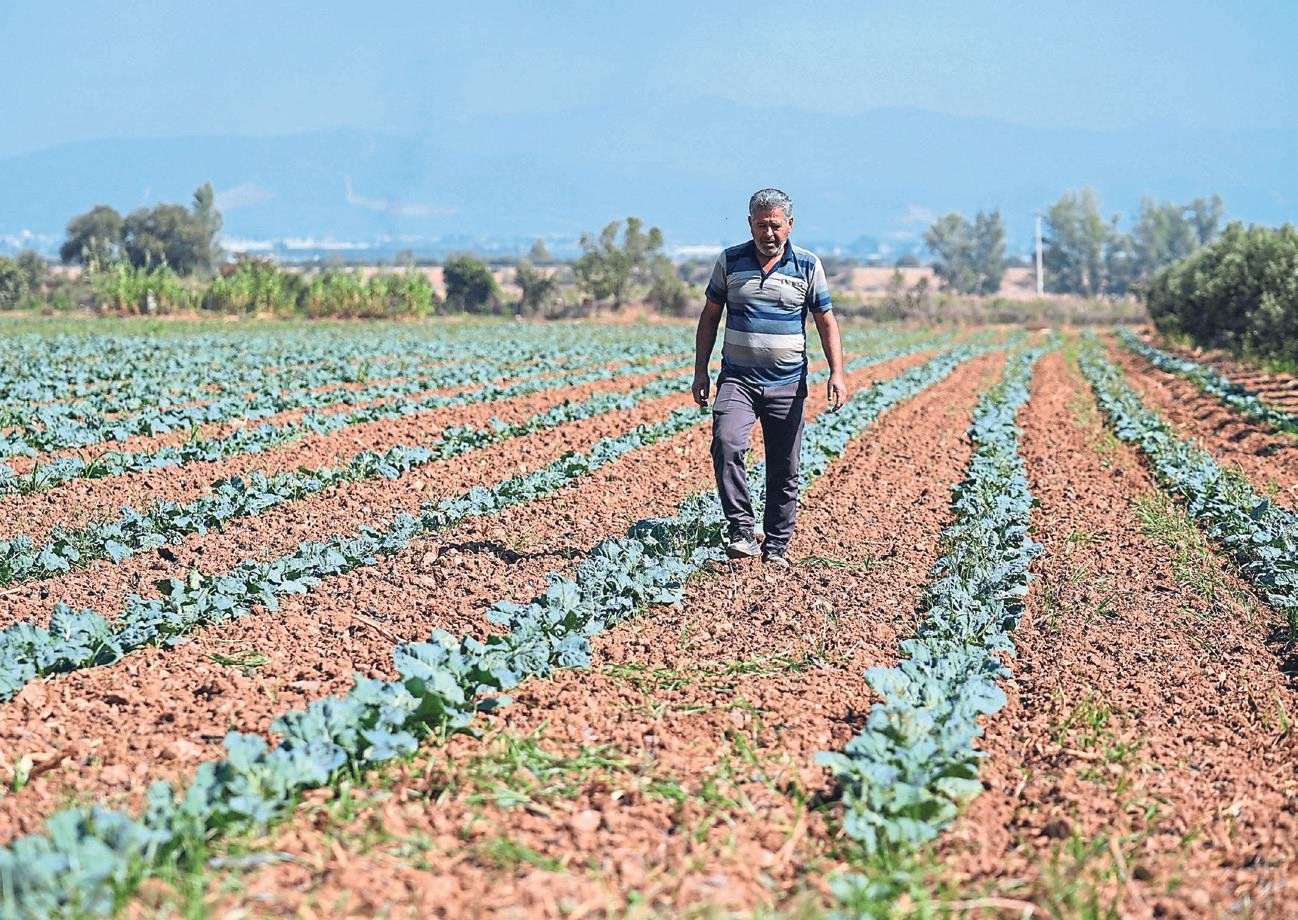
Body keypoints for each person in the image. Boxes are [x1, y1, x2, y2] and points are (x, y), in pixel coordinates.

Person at [691, 188, 847, 568]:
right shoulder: (730, 261)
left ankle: (776, 545)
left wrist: (837, 373)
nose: (769, 233)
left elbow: (826, 322)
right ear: (750, 224)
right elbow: (709, 317)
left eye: (775, 225)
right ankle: (742, 530)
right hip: (738, 380)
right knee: (726, 443)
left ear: (790, 225)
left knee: (784, 466)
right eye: (761, 225)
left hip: (788, 383)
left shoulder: (807, 266)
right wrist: (700, 370)